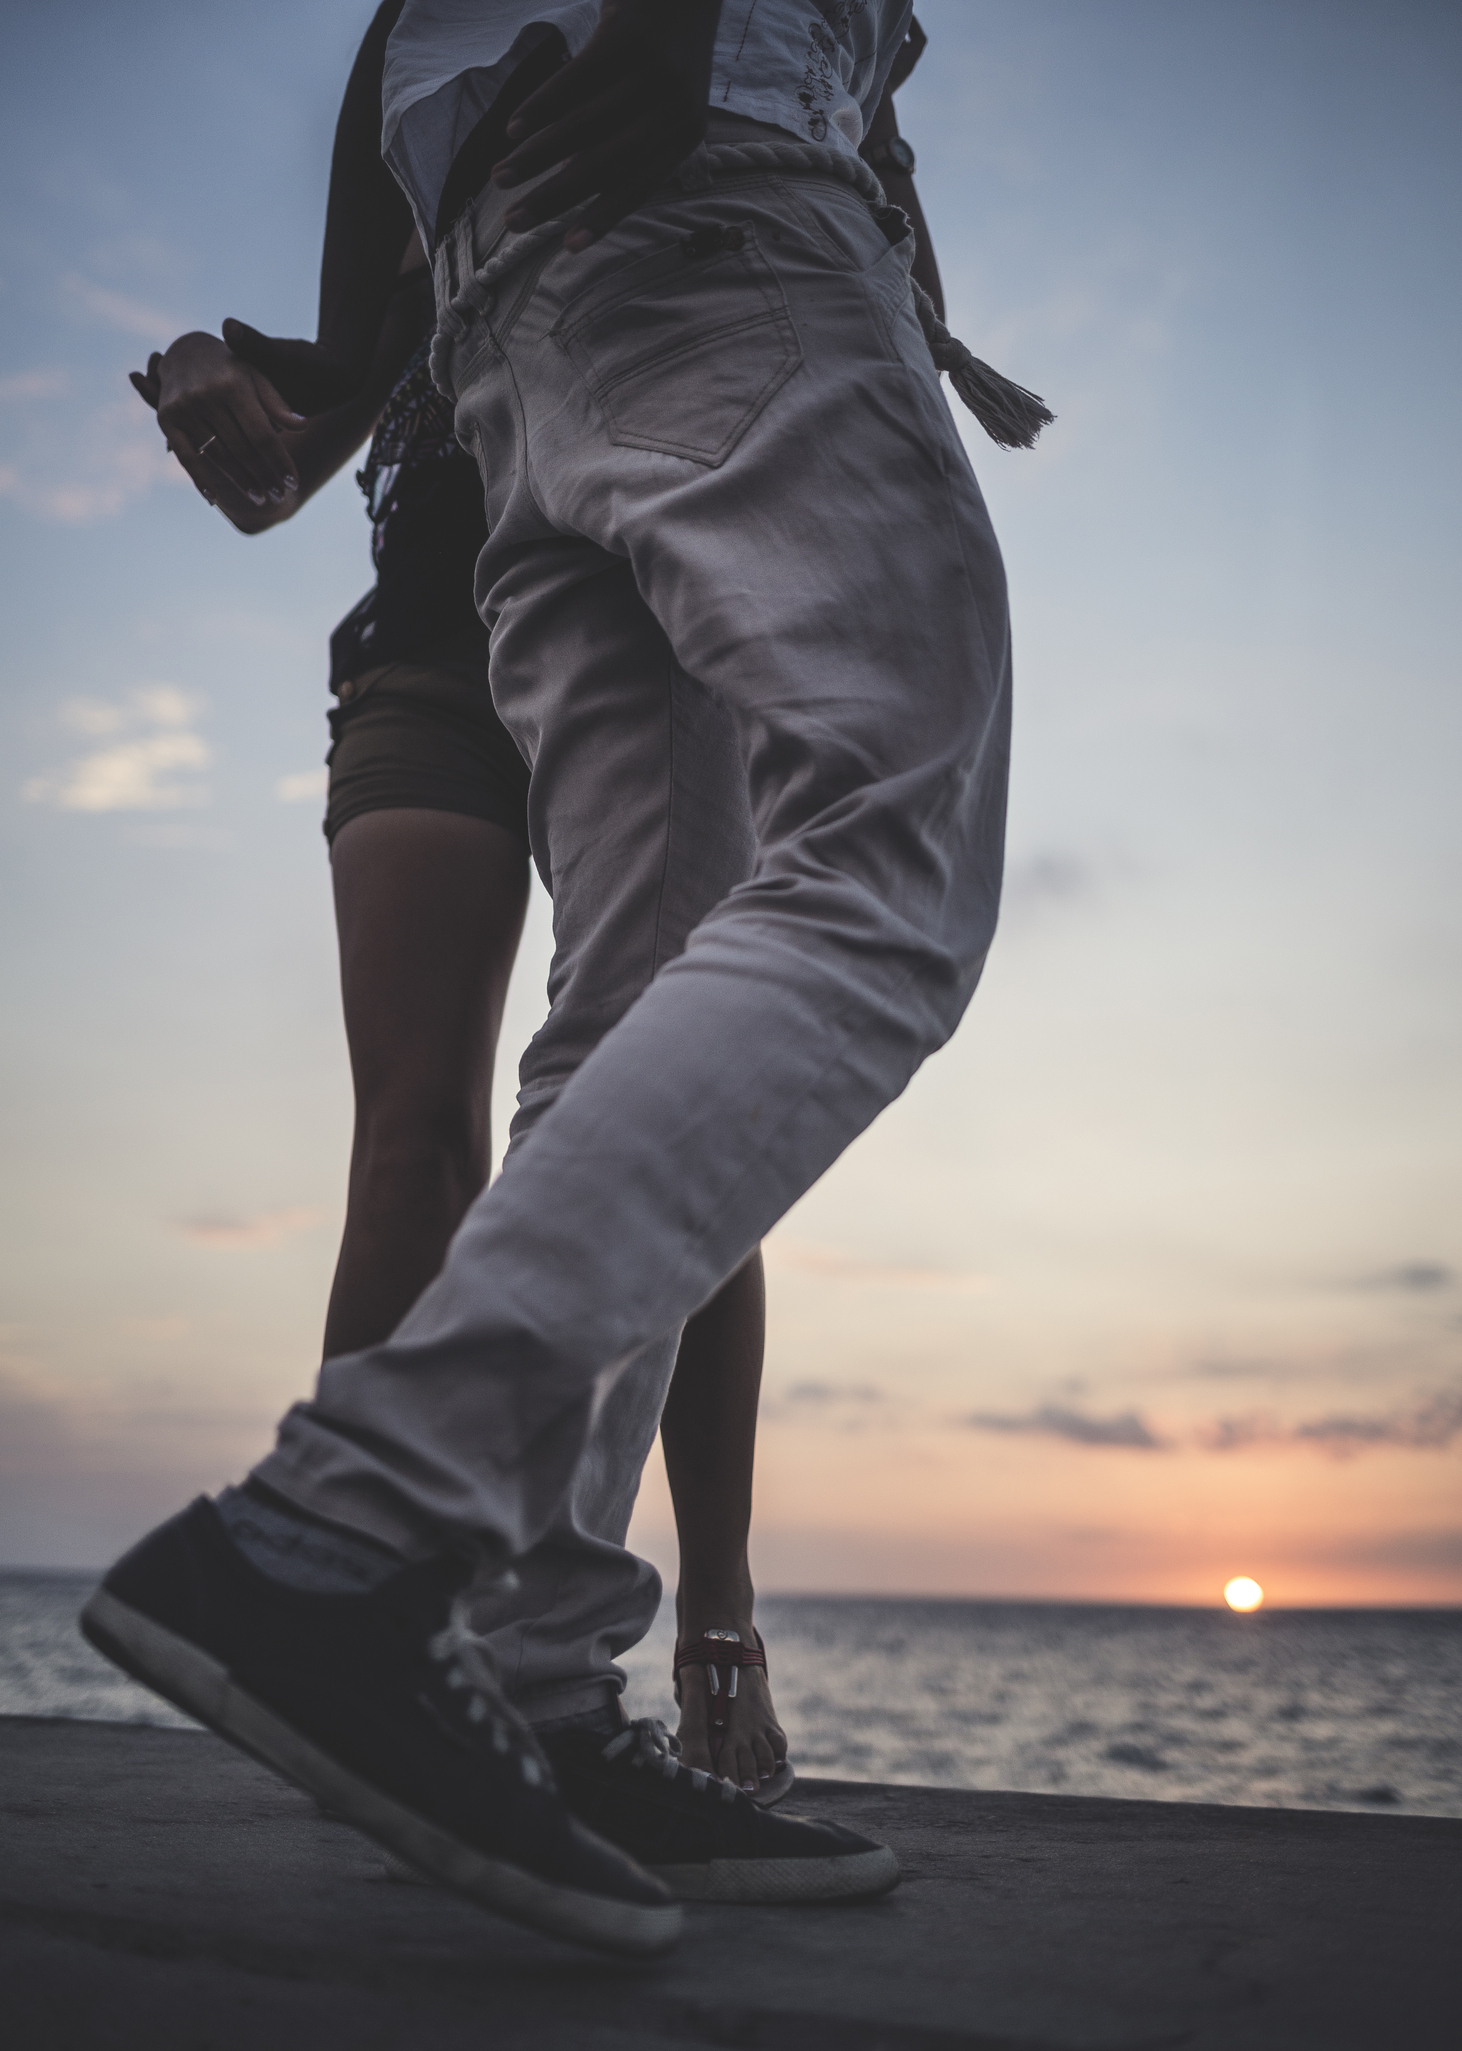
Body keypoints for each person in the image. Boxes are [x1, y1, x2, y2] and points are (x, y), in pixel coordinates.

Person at [86, 0, 1037, 1957]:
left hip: (531, 329)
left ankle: (523, 1672)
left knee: (633, 994)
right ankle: (347, 1522)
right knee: (881, 865)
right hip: (705, 219)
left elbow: (375, 338)